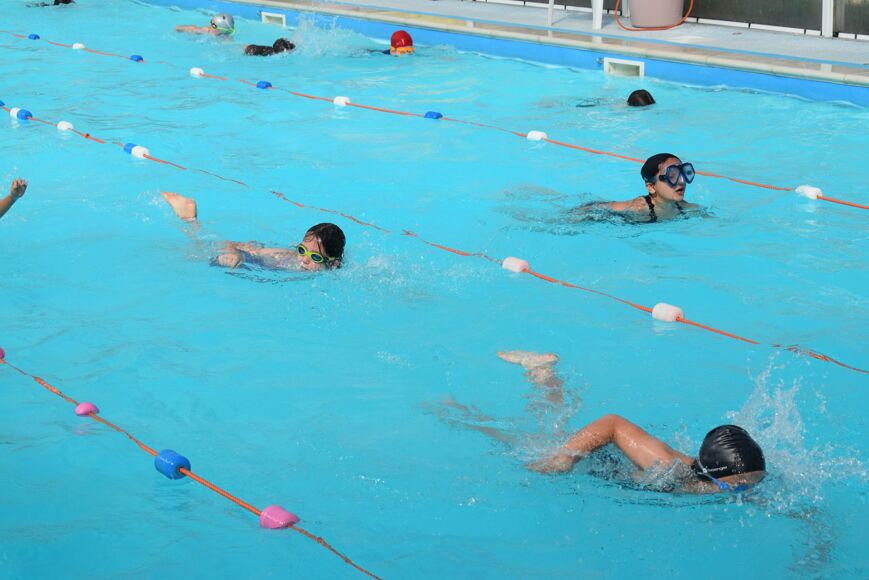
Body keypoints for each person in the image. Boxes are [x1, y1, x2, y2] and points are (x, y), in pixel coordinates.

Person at [445, 351, 766, 494]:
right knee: (524, 440)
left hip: (612, 469)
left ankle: (543, 373)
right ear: (712, 476)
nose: (744, 492)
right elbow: (612, 423)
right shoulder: (670, 468)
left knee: (549, 424)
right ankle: (454, 409)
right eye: (737, 487)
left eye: (753, 484)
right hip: (595, 458)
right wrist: (564, 458)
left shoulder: (734, 480)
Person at [160, 192, 344, 271]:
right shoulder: (284, 258)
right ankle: (189, 219)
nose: (303, 259)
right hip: (252, 259)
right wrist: (233, 254)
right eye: (302, 250)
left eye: (315, 257)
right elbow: (228, 244)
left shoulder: (333, 268)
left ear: (334, 263)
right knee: (199, 253)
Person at [590, 153, 700, 223]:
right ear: (651, 187)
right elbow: (594, 208)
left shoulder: (686, 208)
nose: (682, 181)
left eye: (683, 174)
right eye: (672, 177)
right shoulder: (638, 208)